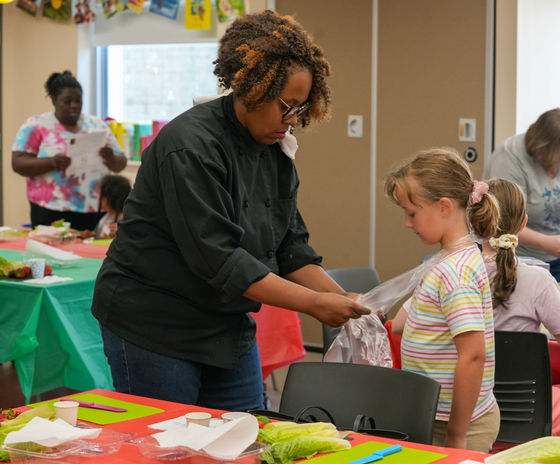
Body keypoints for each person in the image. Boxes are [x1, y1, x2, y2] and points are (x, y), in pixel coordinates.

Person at [91, 10, 370, 411]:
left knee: (245, 431)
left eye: (300, 109)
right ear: (253, 88)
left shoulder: (275, 149)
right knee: (168, 439)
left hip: (224, 323)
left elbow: (291, 248)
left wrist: (344, 300)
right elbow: (220, 260)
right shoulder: (189, 147)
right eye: (287, 106)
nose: (292, 120)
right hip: (154, 321)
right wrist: (313, 305)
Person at [385, 147, 500, 453]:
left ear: (444, 206)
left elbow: (472, 356)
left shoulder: (456, 273)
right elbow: (405, 323)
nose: (407, 223)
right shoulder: (447, 260)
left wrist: (457, 435)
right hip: (437, 415)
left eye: (412, 213)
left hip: (460, 425)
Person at [483, 178, 560, 437]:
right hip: (524, 413)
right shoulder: (537, 279)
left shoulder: (452, 271)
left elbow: (399, 325)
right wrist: (556, 291)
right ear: (523, 224)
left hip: (466, 409)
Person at [483, 108, 560, 281]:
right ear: (543, 147)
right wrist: (543, 242)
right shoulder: (509, 157)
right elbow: (502, 222)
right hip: (514, 258)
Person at [12, 70, 127, 231]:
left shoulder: (96, 125)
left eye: (78, 100)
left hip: (94, 208)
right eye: (67, 101)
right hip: (50, 209)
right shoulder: (37, 125)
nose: (74, 105)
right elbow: (18, 163)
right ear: (54, 100)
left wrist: (111, 157)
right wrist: (51, 162)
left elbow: (120, 163)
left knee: (92, 247)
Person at [95, 174, 132, 239]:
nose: (97, 197)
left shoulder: (123, 221)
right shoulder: (107, 217)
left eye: (99, 193)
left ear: (106, 200)